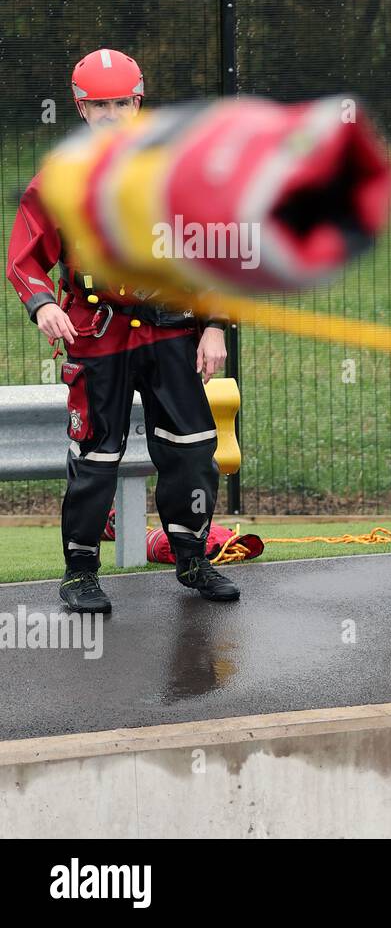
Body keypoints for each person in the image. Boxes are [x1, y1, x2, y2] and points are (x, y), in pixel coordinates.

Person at [5, 48, 238, 613]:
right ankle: (80, 571)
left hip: (171, 333)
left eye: (122, 102)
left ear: (138, 102)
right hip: (97, 333)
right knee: (94, 456)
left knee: (192, 451)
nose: (112, 113)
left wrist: (214, 328)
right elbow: (24, 259)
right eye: (99, 104)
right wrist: (42, 307)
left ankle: (193, 559)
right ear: (81, 109)